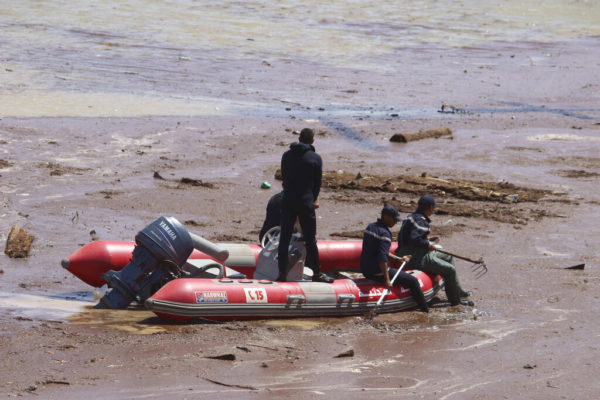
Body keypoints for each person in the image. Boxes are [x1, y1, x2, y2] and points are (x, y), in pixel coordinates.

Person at [277, 128, 333, 283]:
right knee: (310, 240)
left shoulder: (286, 155)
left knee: (284, 238)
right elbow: (317, 184)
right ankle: (317, 273)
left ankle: (282, 273)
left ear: (299, 138)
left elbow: (285, 177)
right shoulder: (315, 158)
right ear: (312, 141)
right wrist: (313, 198)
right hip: (305, 202)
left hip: (288, 200)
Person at [396, 195, 474, 307]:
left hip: (408, 251)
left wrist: (428, 239)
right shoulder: (421, 221)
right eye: (433, 207)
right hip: (415, 257)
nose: (433, 210)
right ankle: (455, 301)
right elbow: (414, 239)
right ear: (430, 207)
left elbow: (410, 238)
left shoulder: (411, 217)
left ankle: (458, 290)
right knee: (450, 270)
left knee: (448, 257)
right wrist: (428, 244)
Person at [361, 205, 429, 313]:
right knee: (413, 281)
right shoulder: (385, 234)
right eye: (394, 219)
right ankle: (425, 311)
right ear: (386, 217)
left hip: (365, 270)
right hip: (377, 272)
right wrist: (387, 280)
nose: (396, 222)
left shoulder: (370, 227)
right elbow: (382, 257)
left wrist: (398, 258)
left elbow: (378, 250)